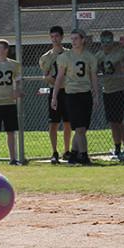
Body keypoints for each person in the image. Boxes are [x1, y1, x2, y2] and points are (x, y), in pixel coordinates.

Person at [51, 29, 99, 165]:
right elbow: (59, 78)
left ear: (83, 40)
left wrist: (96, 95)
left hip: (85, 93)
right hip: (71, 94)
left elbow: (94, 77)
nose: (74, 41)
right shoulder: (65, 57)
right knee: (79, 128)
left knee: (82, 128)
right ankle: (83, 155)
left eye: (76, 38)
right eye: (72, 39)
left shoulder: (90, 57)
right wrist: (54, 96)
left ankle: (73, 154)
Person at [96, 31, 124, 160]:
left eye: (108, 41)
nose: (106, 44)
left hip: (119, 89)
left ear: (112, 41)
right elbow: (93, 68)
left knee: (118, 120)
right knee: (112, 122)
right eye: (103, 41)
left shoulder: (119, 52)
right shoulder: (99, 55)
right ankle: (117, 148)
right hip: (107, 90)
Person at [39, 26, 70, 164]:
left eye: (57, 36)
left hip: (68, 91)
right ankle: (54, 152)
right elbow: (45, 75)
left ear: (62, 37)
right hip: (54, 92)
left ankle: (67, 151)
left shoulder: (69, 54)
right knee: (54, 123)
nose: (54, 39)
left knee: (68, 123)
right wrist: (53, 80)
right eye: (52, 37)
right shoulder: (46, 57)